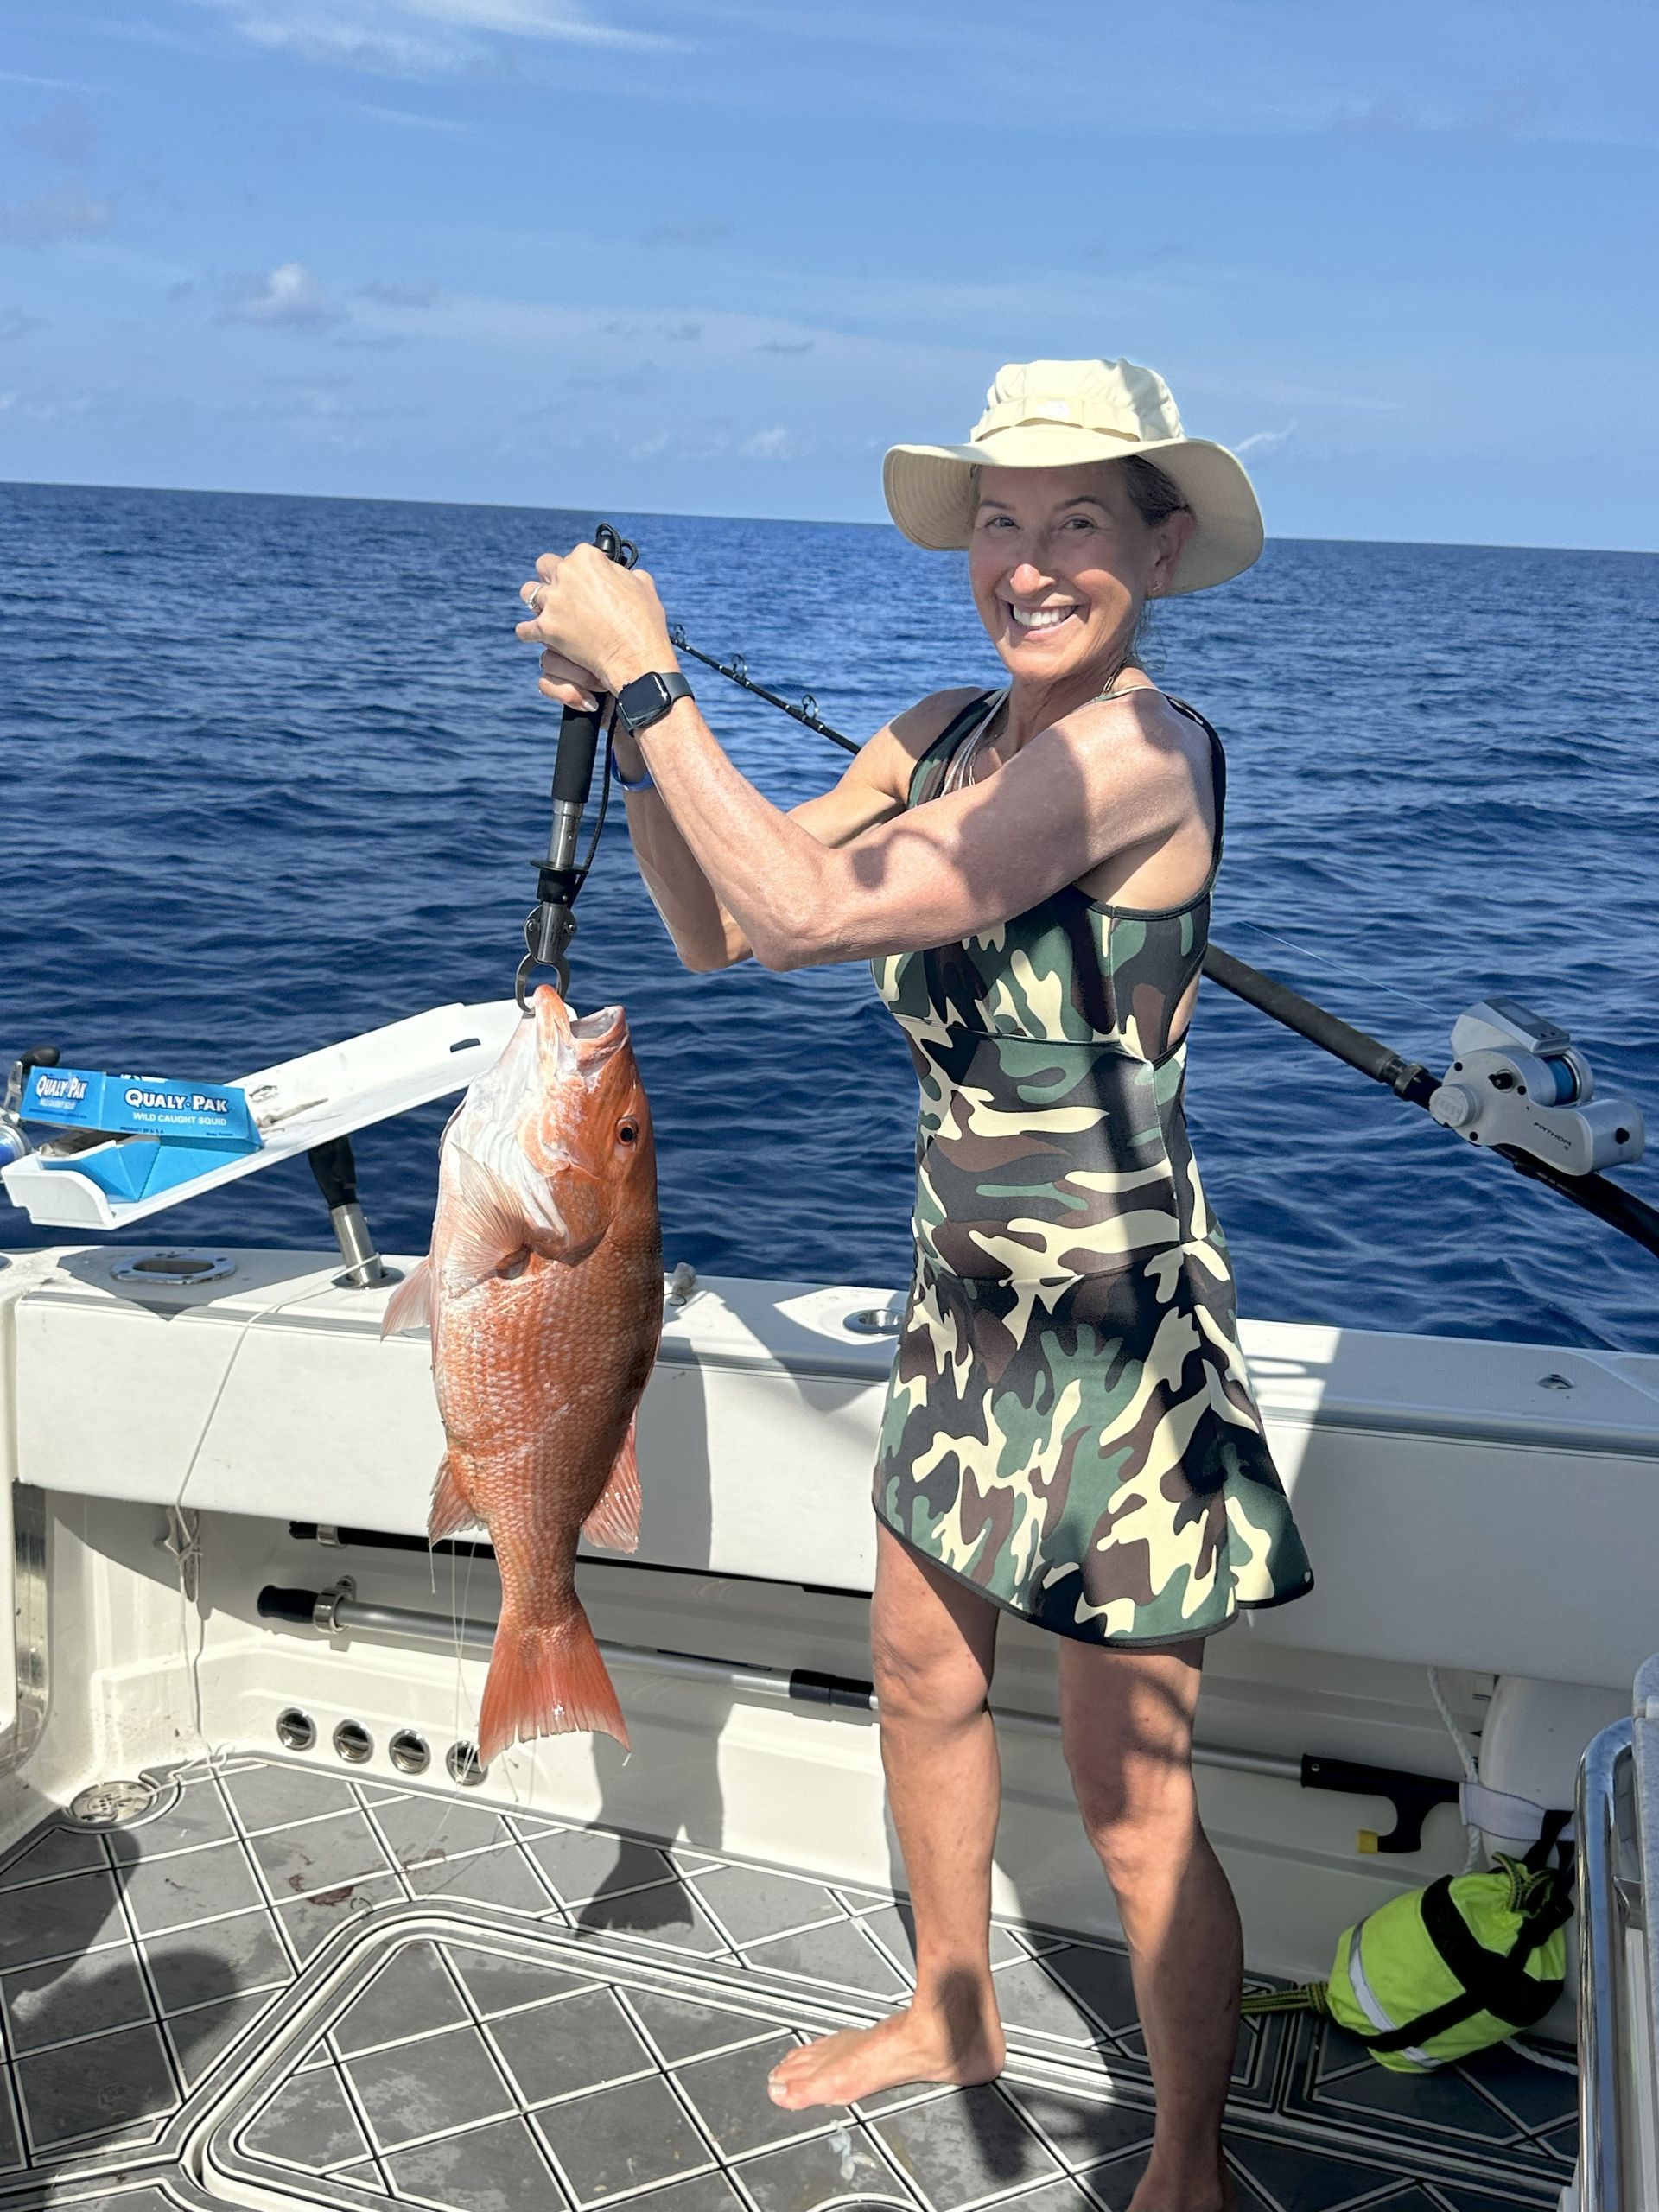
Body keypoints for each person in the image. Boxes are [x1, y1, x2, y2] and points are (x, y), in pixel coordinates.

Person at [517, 356, 1313, 2212]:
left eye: (1082, 524)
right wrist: (644, 741)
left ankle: (1184, 2149)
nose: (1032, 563)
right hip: (961, 1303)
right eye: (1005, 525)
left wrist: (653, 680)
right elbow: (732, 921)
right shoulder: (943, 726)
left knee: (1135, 1803)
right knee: (918, 1680)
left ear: (1160, 546)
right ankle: (955, 2008)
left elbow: (820, 910)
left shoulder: (1139, 754)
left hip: (1124, 1346)